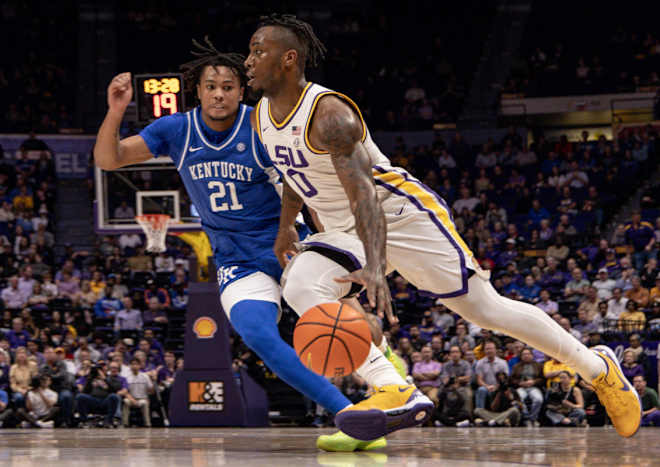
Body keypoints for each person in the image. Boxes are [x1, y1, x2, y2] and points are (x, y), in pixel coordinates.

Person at [244, 13, 640, 439]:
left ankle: (597, 369)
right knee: (300, 285)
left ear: (288, 59)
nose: (247, 60)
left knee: (485, 310)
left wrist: (376, 266)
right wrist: (287, 227)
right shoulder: (262, 116)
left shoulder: (330, 115)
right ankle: (393, 387)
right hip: (343, 228)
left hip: (396, 213)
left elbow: (365, 197)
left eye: (257, 51)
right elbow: (291, 171)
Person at [93, 40, 387, 451]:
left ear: (241, 90)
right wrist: (116, 109)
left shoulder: (261, 125)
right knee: (259, 336)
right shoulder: (175, 130)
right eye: (211, 86)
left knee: (359, 326)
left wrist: (319, 236)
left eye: (228, 86)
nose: (219, 93)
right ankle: (351, 416)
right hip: (236, 258)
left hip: (289, 245)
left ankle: (394, 391)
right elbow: (109, 159)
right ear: (198, 89)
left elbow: (297, 182)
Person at [511, 348, 544, 426]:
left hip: (533, 387)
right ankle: (526, 418)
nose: (526, 356)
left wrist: (534, 382)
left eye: (528, 354)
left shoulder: (538, 366)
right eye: (524, 354)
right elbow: (511, 379)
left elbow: (543, 379)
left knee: (538, 399)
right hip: (521, 387)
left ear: (532, 355)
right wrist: (519, 383)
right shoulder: (516, 366)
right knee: (520, 398)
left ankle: (533, 418)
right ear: (521, 356)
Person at [474, 340, 509, 410]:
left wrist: (496, 387)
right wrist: (487, 387)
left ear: (495, 350)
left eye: (491, 348)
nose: (489, 351)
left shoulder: (503, 363)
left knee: (503, 391)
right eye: (487, 349)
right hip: (486, 387)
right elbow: (479, 379)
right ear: (484, 351)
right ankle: (480, 412)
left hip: (499, 387)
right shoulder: (480, 363)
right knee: (481, 390)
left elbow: (505, 379)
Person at [122, 358, 153, 427]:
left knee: (145, 403)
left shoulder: (145, 376)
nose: (134, 366)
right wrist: (132, 400)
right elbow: (125, 392)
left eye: (136, 364)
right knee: (125, 401)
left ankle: (147, 424)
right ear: (130, 366)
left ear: (140, 366)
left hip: (142, 399)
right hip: (131, 399)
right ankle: (125, 423)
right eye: (132, 364)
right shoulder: (126, 377)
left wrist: (153, 379)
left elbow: (151, 390)